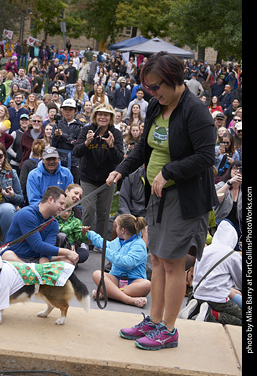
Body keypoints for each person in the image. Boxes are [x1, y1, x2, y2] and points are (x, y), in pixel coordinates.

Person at [106, 52, 217, 351]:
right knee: (155, 259)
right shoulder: (157, 104)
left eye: (157, 87)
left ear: (174, 80)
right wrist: (122, 169)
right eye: (149, 88)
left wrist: (169, 171)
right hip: (156, 195)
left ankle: (169, 329)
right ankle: (154, 321)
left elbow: (206, 157)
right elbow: (144, 146)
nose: (152, 93)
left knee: (173, 265)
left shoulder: (195, 112)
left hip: (185, 198)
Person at [73, 103, 123, 237]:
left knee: (104, 211)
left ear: (111, 117)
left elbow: (118, 159)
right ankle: (84, 239)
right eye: (100, 114)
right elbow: (76, 152)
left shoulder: (116, 133)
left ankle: (99, 240)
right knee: (88, 209)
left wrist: (112, 147)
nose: (103, 117)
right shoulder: (87, 130)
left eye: (106, 115)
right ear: (95, 116)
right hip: (88, 178)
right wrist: (86, 143)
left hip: (107, 179)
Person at [179, 220, 242, 326]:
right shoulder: (232, 255)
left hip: (197, 294)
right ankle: (212, 314)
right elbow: (240, 281)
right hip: (218, 299)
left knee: (203, 298)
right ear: (233, 238)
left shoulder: (204, 250)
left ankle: (194, 306)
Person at [83, 214, 151, 307]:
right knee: (97, 274)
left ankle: (110, 293)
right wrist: (89, 233)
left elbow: (128, 262)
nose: (115, 229)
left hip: (134, 281)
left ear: (122, 230)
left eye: (117, 226)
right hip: (116, 279)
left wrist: (107, 252)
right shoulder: (118, 241)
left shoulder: (139, 244)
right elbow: (103, 244)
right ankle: (128, 299)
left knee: (147, 284)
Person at [1, 186, 79, 265]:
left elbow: (46, 250)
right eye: (61, 203)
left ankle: (36, 273)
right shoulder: (27, 214)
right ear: (50, 200)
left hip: (36, 259)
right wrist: (67, 252)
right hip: (18, 257)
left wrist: (44, 264)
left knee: (68, 261)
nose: (63, 208)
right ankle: (33, 272)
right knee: (8, 256)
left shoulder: (53, 222)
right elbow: (37, 245)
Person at [51, 98, 83, 183]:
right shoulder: (57, 124)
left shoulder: (80, 126)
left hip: (73, 160)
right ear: (62, 111)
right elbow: (52, 144)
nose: (67, 112)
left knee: (74, 184)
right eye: (65, 110)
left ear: (75, 111)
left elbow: (78, 144)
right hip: (59, 159)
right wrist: (55, 136)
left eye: (70, 110)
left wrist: (63, 136)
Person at [214, 160, 242, 249]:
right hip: (221, 222)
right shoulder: (222, 185)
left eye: (240, 169)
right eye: (234, 168)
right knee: (228, 225)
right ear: (230, 171)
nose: (237, 171)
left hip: (238, 224)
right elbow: (215, 200)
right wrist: (229, 183)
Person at [56, 196, 89, 264]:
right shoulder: (53, 219)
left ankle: (64, 260)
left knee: (84, 254)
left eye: (69, 211)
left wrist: (83, 233)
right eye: (64, 210)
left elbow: (80, 239)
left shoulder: (76, 221)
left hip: (70, 247)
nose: (66, 213)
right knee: (61, 236)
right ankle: (67, 261)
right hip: (56, 246)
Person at [19, 139, 46, 205]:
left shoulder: (26, 163)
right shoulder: (48, 163)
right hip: (46, 197)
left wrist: (21, 202)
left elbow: (22, 183)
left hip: (31, 198)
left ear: (32, 149)